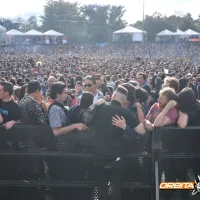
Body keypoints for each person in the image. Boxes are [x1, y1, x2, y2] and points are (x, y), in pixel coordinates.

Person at [85, 86, 146, 200]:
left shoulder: (99, 107)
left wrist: (95, 105)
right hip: (116, 155)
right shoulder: (124, 112)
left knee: (102, 187)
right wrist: (125, 127)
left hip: (98, 152)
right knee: (115, 187)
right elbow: (141, 131)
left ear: (113, 95)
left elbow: (86, 120)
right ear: (124, 100)